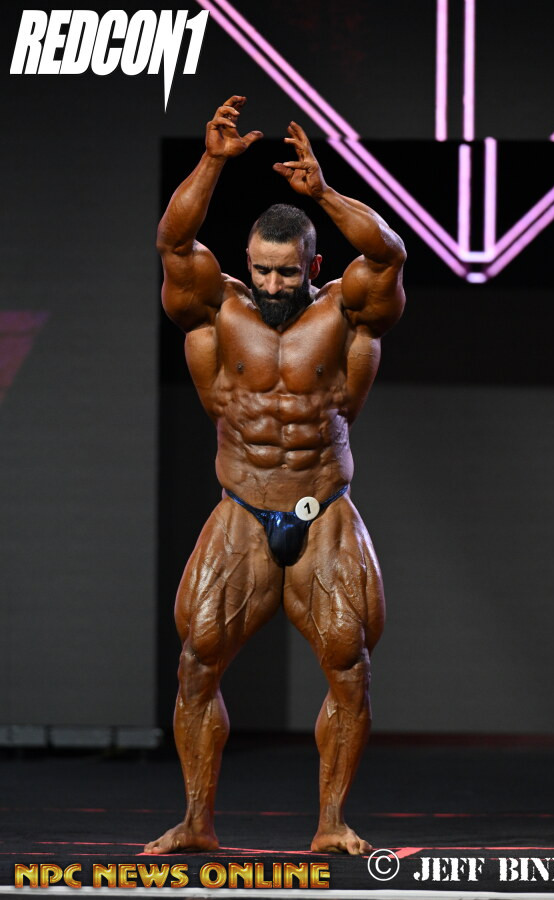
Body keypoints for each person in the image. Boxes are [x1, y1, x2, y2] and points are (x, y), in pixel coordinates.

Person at [144, 95, 406, 856]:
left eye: (287, 272)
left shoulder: (346, 313)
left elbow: (389, 253)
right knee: (197, 661)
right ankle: (196, 822)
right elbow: (173, 240)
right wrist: (212, 163)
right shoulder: (215, 310)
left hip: (323, 508)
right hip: (242, 506)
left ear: (312, 266)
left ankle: (331, 823)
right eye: (261, 268)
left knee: (348, 665)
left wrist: (324, 193)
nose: (272, 282)